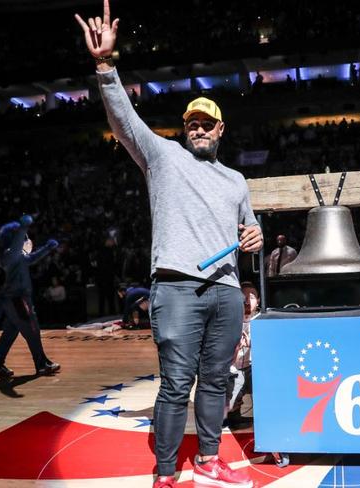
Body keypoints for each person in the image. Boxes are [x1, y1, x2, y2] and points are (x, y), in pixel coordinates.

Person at [75, 4, 263, 487]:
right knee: (177, 384)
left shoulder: (237, 181)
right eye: (192, 123)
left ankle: (208, 457)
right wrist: (105, 68)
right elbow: (125, 123)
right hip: (177, 289)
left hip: (224, 291)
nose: (198, 129)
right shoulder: (163, 157)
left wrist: (255, 238)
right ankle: (164, 473)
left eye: (207, 123)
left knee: (216, 381)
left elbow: (250, 233)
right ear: (186, 128)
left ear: (220, 129)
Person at [0, 215, 61, 378]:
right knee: (32, 331)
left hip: (14, 299)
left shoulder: (15, 255)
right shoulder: (10, 253)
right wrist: (24, 227)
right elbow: (20, 245)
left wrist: (48, 248)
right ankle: (41, 364)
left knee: (9, 334)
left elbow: (32, 258)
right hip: (17, 300)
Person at [223, 282, 258, 430]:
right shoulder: (227, 321)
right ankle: (234, 415)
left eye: (252, 297)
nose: (247, 301)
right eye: (243, 297)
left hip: (255, 369)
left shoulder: (263, 321)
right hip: (235, 368)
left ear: (259, 300)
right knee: (228, 406)